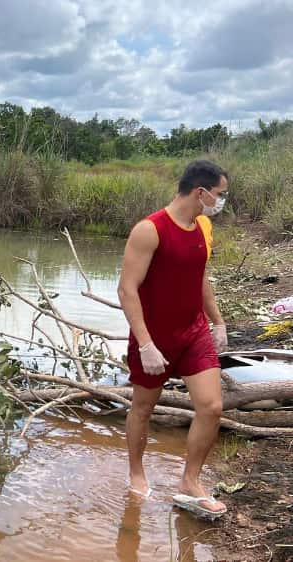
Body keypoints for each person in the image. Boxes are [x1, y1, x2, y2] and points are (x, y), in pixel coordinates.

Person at [117, 159, 229, 519]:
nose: (222, 201)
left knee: (211, 407)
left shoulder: (201, 227)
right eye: (220, 194)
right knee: (143, 408)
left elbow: (200, 278)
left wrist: (218, 321)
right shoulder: (150, 230)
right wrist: (146, 343)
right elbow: (127, 290)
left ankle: (189, 482)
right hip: (155, 338)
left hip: (193, 332)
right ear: (201, 192)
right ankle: (136, 474)